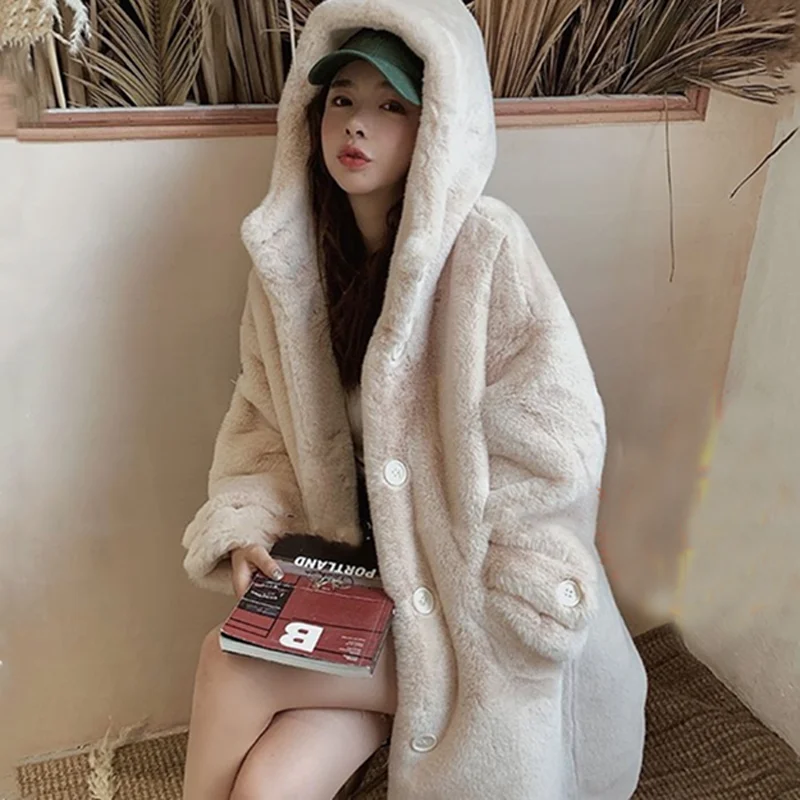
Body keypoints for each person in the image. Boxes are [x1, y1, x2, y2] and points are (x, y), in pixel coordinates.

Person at [180, 0, 648, 798]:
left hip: (460, 609)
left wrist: (515, 583)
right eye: (341, 99)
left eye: (390, 105)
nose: (357, 125)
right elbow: (262, 427)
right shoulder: (290, 270)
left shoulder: (489, 249)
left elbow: (557, 436)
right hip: (355, 592)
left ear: (437, 125)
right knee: (266, 786)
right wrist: (248, 529)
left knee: (229, 665)